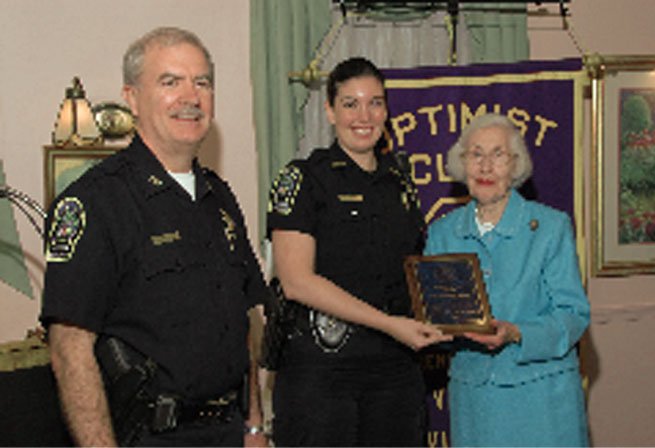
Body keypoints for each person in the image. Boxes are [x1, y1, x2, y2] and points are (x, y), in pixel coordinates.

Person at [41, 27, 268, 447]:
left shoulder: (219, 196)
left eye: (202, 82)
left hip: (229, 432)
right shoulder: (95, 203)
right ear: (131, 97)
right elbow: (70, 350)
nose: (191, 96)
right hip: (149, 436)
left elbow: (242, 324)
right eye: (170, 81)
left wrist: (254, 425)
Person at [266, 56, 450, 447]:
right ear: (330, 111)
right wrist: (390, 324)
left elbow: (412, 270)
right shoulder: (303, 178)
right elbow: (297, 282)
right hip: (324, 373)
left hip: (396, 370)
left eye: (375, 102)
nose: (364, 115)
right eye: (350, 103)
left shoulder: (399, 181)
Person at [425, 113, 590, 447]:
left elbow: (574, 316)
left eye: (498, 155)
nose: (486, 167)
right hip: (476, 403)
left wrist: (517, 333)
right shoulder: (442, 233)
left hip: (543, 400)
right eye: (476, 155)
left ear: (516, 166)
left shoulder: (551, 227)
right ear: (462, 164)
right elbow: (438, 322)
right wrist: (433, 327)